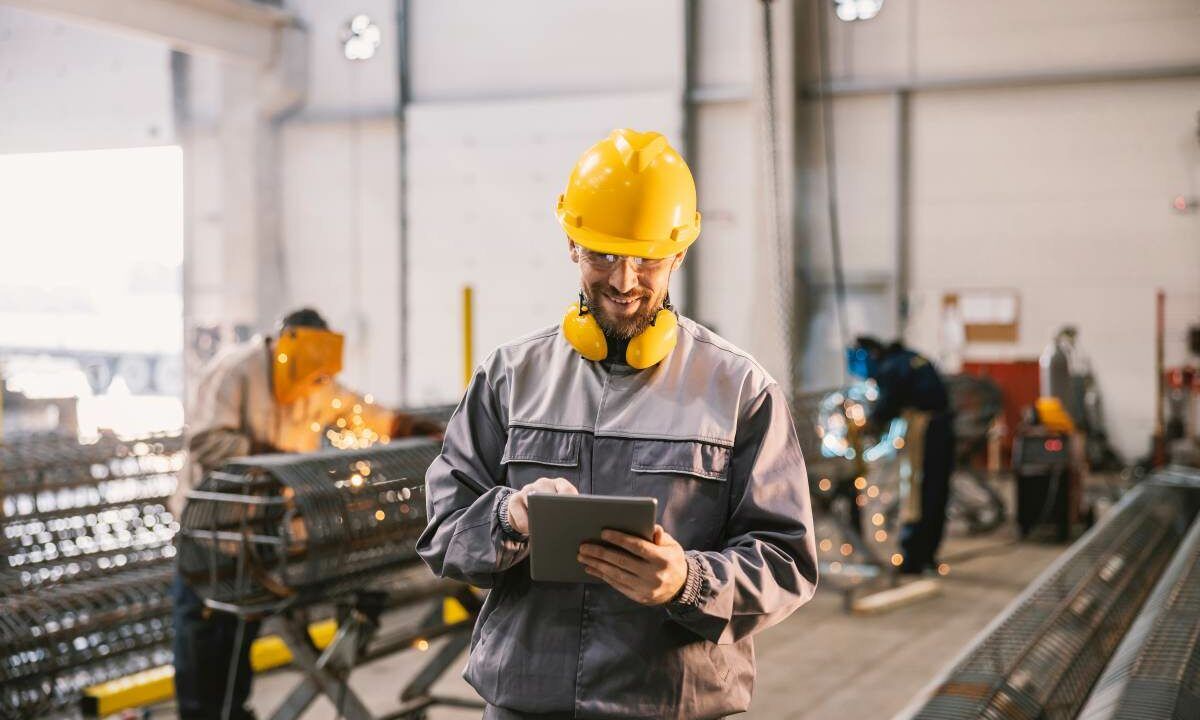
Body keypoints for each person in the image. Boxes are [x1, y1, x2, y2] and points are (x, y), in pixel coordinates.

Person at [417, 129, 818, 719]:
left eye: (648, 258)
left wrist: (689, 580)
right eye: (603, 253)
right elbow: (442, 531)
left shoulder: (740, 391)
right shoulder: (510, 376)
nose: (625, 281)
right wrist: (508, 517)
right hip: (529, 700)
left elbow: (787, 560)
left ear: (678, 255)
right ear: (572, 245)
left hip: (670, 703)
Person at [170, 307, 442, 720]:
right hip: (210, 530)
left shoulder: (314, 377)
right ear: (283, 345)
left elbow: (359, 411)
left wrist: (413, 428)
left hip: (262, 530)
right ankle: (198, 714)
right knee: (204, 633)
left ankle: (234, 711)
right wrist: (279, 464)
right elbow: (206, 441)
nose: (313, 387)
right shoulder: (235, 372)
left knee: (243, 632)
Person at [847, 336, 954, 574]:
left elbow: (888, 404)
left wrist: (869, 425)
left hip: (926, 433)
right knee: (934, 493)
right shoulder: (910, 357)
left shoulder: (892, 367)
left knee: (915, 492)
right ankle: (927, 556)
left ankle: (913, 559)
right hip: (943, 428)